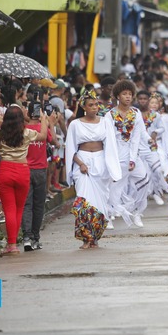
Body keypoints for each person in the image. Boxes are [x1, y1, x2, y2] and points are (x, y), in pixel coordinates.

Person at [0, 106, 48, 255]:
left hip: (5, 171)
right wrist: (44, 119)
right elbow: (43, 135)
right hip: (23, 171)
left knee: (9, 210)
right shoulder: (26, 133)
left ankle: (11, 244)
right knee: (19, 208)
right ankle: (12, 244)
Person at [65, 91, 122, 249]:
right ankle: (85, 238)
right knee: (84, 201)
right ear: (83, 106)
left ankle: (95, 237)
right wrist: (80, 163)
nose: (95, 107)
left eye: (97, 104)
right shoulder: (75, 124)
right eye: (91, 105)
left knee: (100, 204)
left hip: (100, 163)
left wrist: (113, 169)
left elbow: (111, 146)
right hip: (82, 164)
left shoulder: (105, 122)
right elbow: (70, 148)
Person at [107, 80, 148, 228]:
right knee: (114, 186)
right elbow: (109, 138)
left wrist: (133, 158)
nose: (128, 97)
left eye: (130, 94)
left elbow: (137, 136)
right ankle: (109, 215)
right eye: (124, 94)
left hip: (132, 153)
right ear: (118, 96)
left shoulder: (136, 114)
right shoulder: (110, 115)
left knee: (144, 181)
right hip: (116, 154)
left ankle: (137, 212)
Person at [21, 100, 58, 251]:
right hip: (41, 171)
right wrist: (51, 123)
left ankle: (26, 237)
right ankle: (35, 238)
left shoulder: (23, 129)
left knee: (27, 205)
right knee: (38, 205)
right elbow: (54, 141)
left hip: (25, 170)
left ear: (28, 113)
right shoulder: (43, 128)